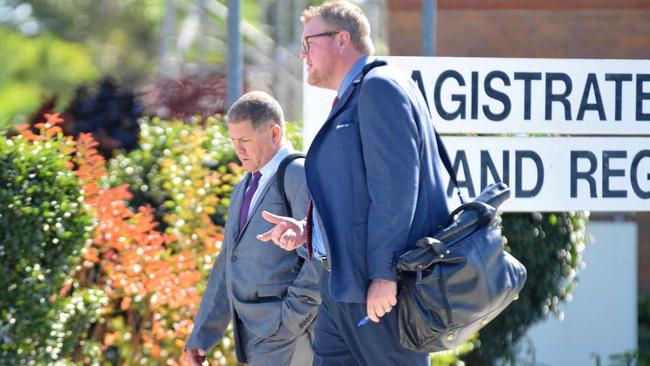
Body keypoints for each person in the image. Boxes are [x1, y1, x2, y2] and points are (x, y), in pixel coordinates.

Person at [257, 1, 450, 365]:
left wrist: (384, 275)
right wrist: (309, 229)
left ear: (342, 39)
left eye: (309, 43)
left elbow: (395, 191)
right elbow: (355, 193)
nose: (302, 54)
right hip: (341, 287)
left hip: (375, 292)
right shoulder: (357, 93)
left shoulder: (380, 87)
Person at [185, 91, 321, 366]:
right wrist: (202, 336)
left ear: (274, 133)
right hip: (253, 335)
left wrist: (291, 320)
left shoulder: (299, 174)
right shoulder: (244, 186)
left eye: (245, 140)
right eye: (234, 141)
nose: (239, 150)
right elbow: (228, 263)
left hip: (288, 334)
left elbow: (320, 253)